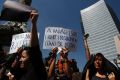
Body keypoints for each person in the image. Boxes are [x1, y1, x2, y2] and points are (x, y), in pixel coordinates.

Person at [7, 11, 47, 80]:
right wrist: (17, 57)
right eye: (20, 57)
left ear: (31, 58)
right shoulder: (19, 74)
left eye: (23, 57)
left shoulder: (37, 71)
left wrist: (33, 23)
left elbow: (34, 48)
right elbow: (12, 70)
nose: (20, 60)